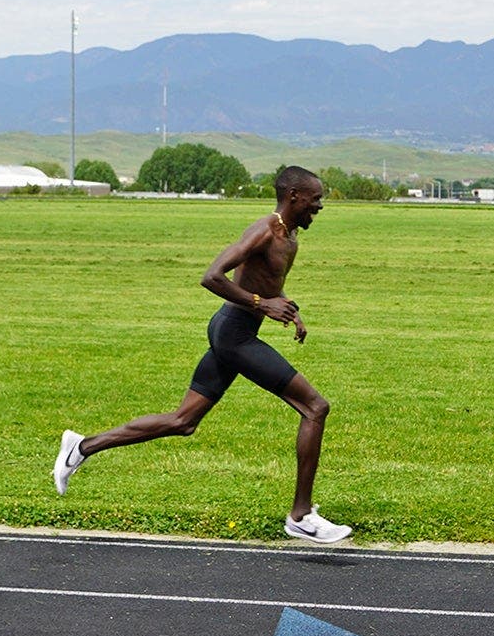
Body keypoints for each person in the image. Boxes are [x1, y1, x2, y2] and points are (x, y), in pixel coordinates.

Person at [53, 166, 348, 543]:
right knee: (314, 407)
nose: (320, 206)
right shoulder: (264, 231)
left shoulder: (289, 235)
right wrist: (262, 304)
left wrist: (287, 310)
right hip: (233, 335)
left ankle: (81, 446)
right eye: (315, 198)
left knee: (183, 421)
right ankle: (301, 515)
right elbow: (212, 276)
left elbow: (266, 284)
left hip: (235, 330)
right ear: (294, 196)